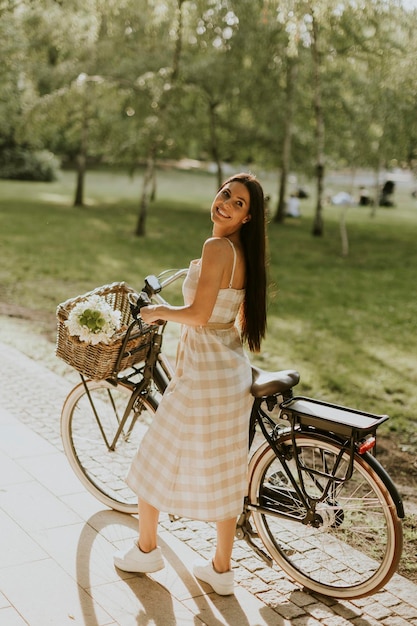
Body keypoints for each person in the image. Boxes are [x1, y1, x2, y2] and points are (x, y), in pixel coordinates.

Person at [113, 172, 267, 596]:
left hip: (203, 375)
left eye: (237, 203)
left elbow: (199, 316)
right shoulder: (243, 252)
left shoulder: (217, 247)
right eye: (224, 195)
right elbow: (224, 315)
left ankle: (146, 550)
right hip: (229, 370)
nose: (225, 204)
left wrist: (160, 312)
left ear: (248, 216)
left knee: (152, 456)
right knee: (225, 469)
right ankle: (221, 570)